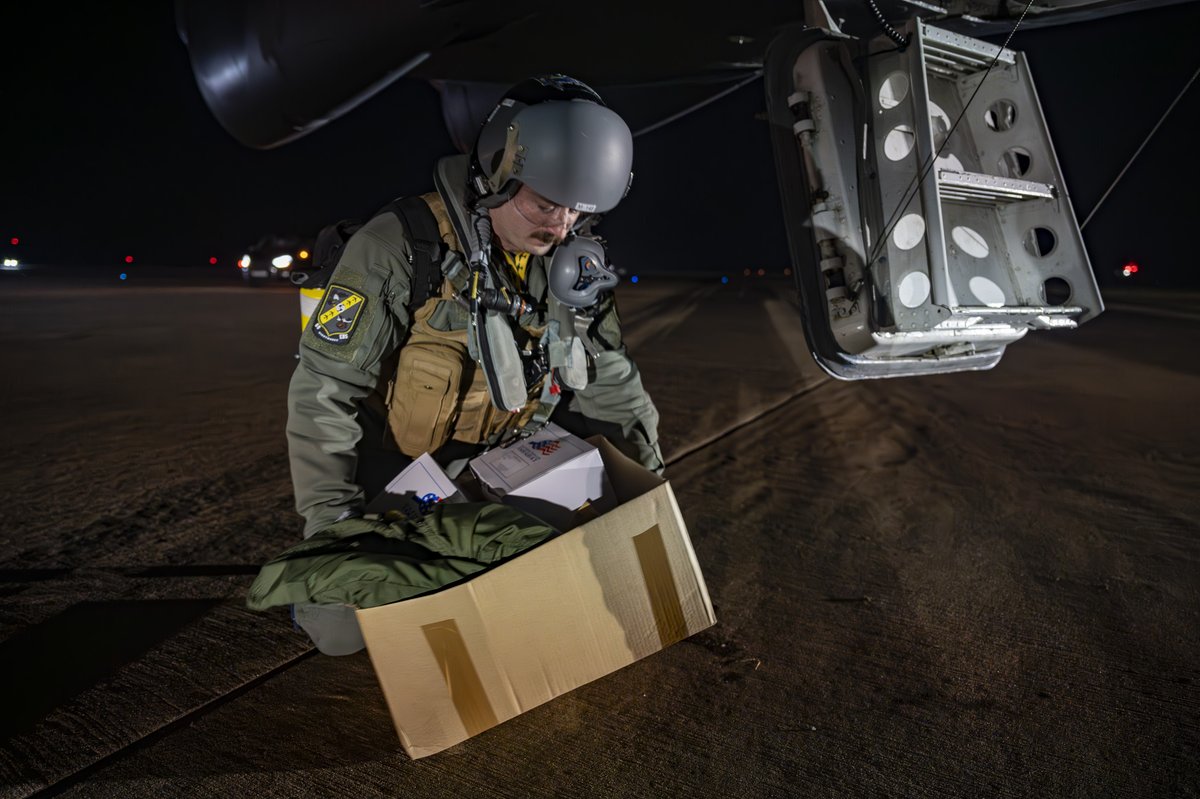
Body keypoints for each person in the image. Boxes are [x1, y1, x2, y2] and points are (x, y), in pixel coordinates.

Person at [284, 74, 664, 654]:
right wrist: (334, 525)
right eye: (545, 203)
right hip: (402, 467)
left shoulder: (572, 263)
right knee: (341, 629)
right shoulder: (401, 248)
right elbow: (323, 394)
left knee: (586, 572)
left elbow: (612, 380)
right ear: (498, 172)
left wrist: (650, 493)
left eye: (578, 212)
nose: (561, 226)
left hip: (512, 460)